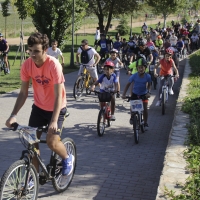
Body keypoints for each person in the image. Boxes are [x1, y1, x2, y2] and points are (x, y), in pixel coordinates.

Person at [5, 32, 74, 178]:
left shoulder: (53, 65)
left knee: (51, 142)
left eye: (36, 51)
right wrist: (13, 115)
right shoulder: (27, 65)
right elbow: (23, 93)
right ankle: (33, 178)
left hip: (57, 108)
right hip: (39, 108)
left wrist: (54, 121)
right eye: (30, 50)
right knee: (32, 143)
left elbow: (57, 96)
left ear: (45, 49)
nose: (32, 54)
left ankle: (67, 158)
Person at [122, 57, 151, 129]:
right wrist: (124, 94)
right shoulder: (134, 76)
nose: (140, 69)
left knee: (145, 108)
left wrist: (148, 92)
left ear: (145, 68)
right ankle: (132, 117)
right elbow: (128, 84)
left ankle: (146, 123)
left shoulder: (148, 76)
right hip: (135, 94)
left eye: (142, 67)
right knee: (132, 106)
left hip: (144, 94)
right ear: (137, 68)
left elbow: (149, 85)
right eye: (139, 68)